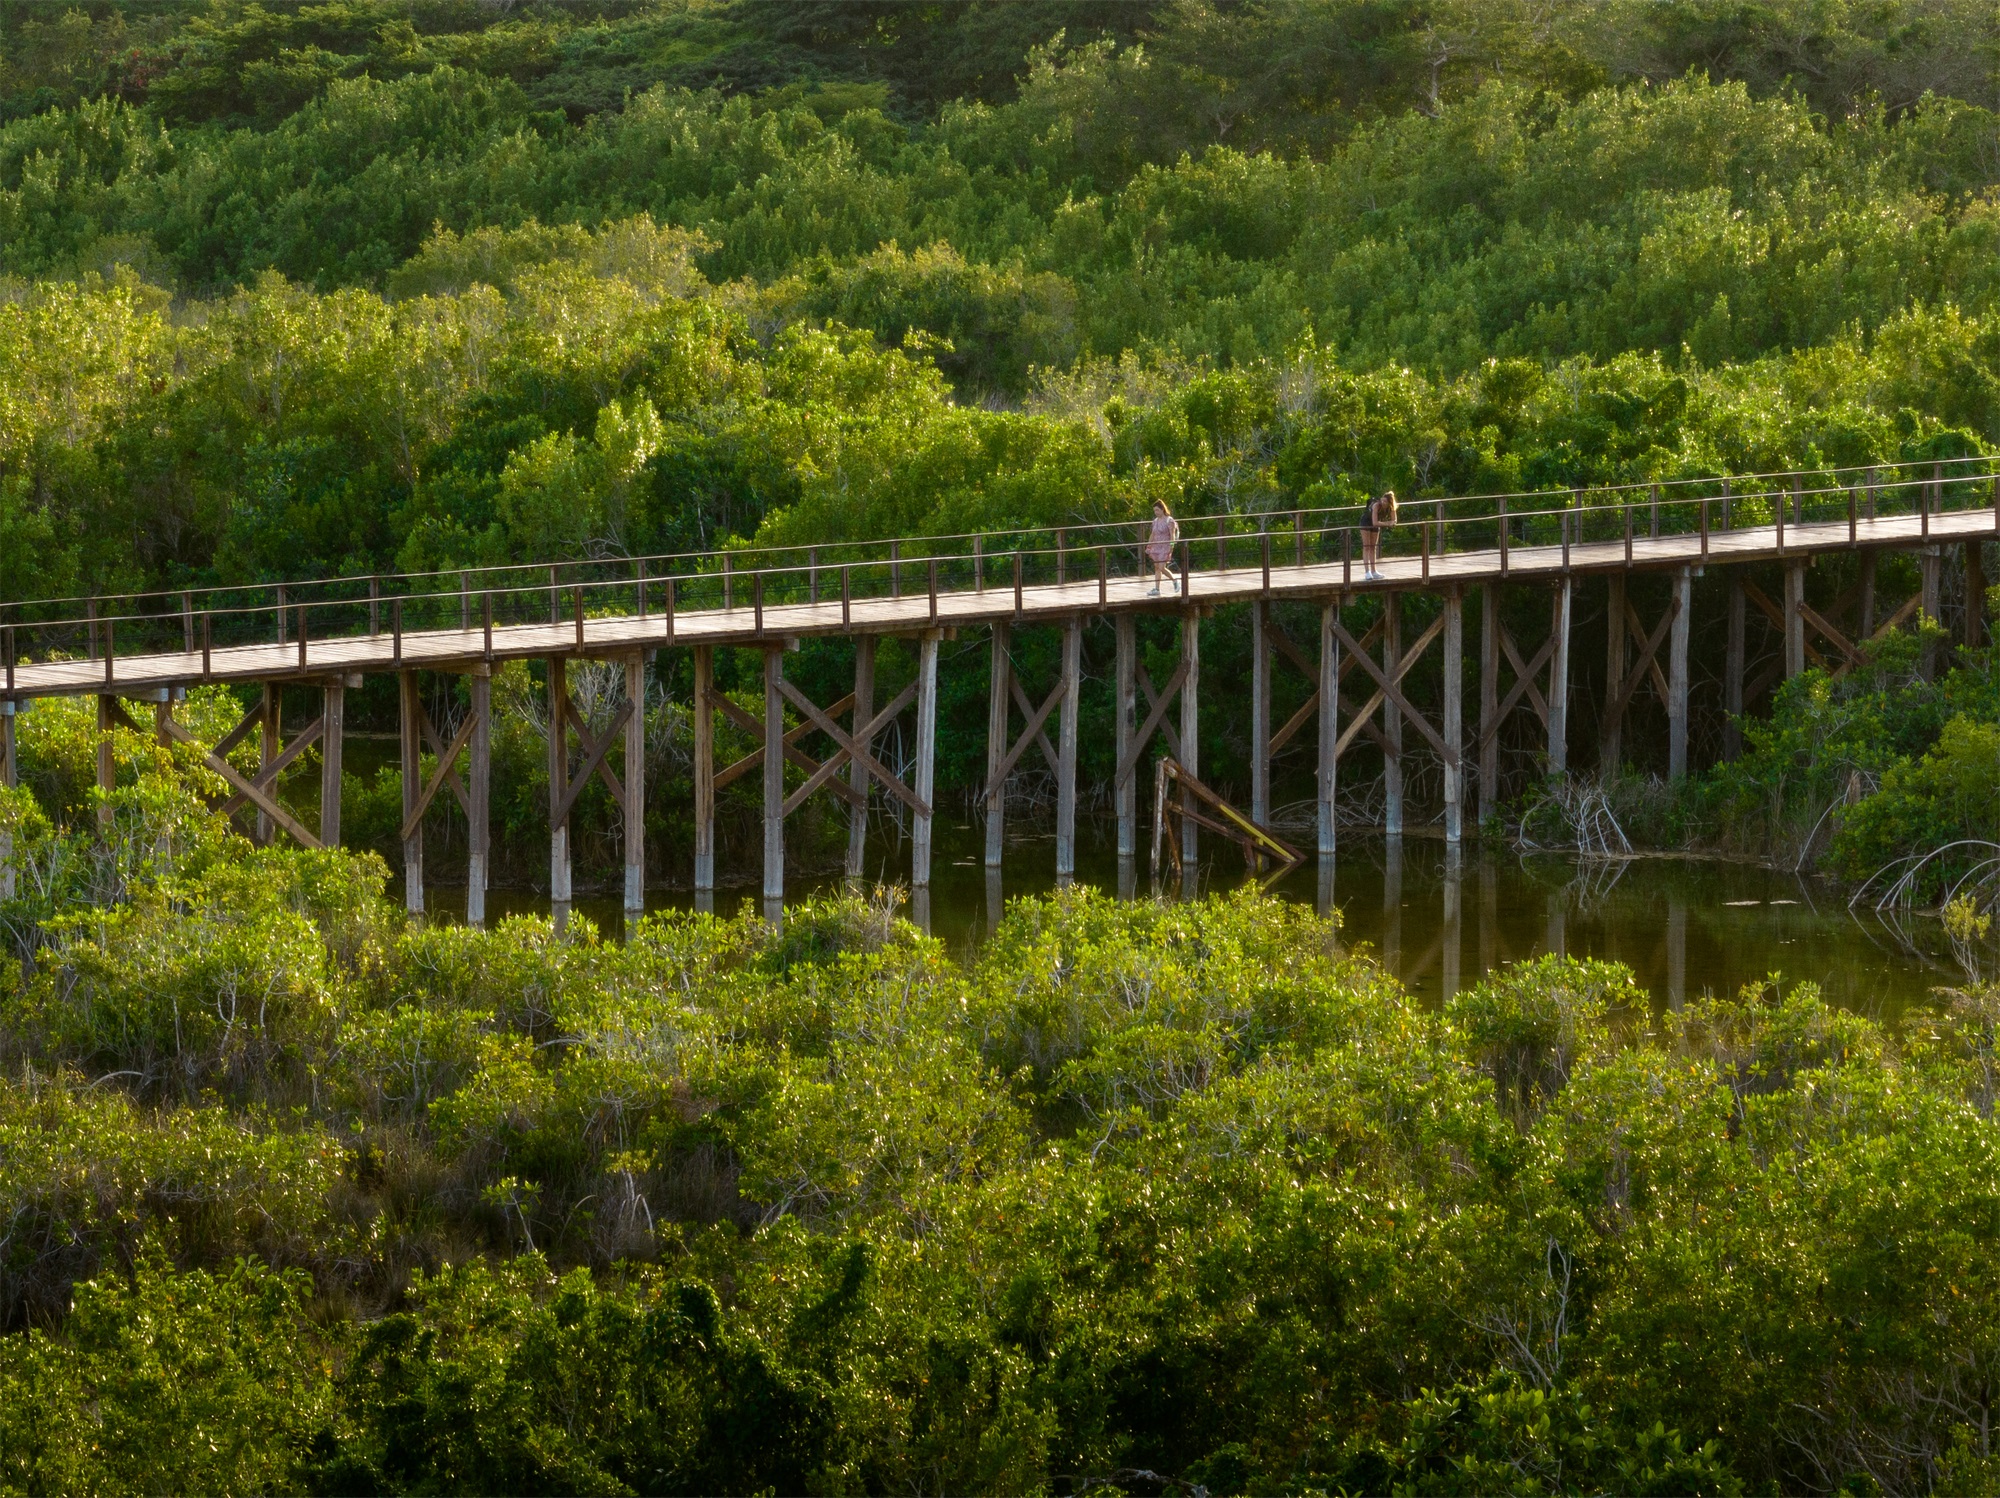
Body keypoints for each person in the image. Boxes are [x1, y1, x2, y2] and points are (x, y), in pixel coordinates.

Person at [1144, 499, 1181, 594]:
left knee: (1161, 567)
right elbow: (1152, 534)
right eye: (1155, 511)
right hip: (1156, 546)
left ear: (1162, 509)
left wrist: (1171, 546)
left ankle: (1175, 580)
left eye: (1157, 510)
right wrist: (1149, 545)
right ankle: (1157, 589)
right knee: (1157, 567)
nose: (1156, 512)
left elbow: (1172, 534)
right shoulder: (1155, 521)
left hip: (1165, 547)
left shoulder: (1169, 520)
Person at [1360, 488, 1397, 579]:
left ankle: (1374, 571)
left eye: (1385, 501)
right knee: (1367, 546)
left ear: (1390, 503)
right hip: (1366, 523)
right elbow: (1375, 522)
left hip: (1377, 525)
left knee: (1373, 547)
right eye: (1382, 500)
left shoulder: (1391, 507)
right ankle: (1367, 572)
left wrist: (1392, 522)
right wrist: (1388, 523)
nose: (1383, 502)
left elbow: (1394, 520)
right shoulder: (1376, 505)